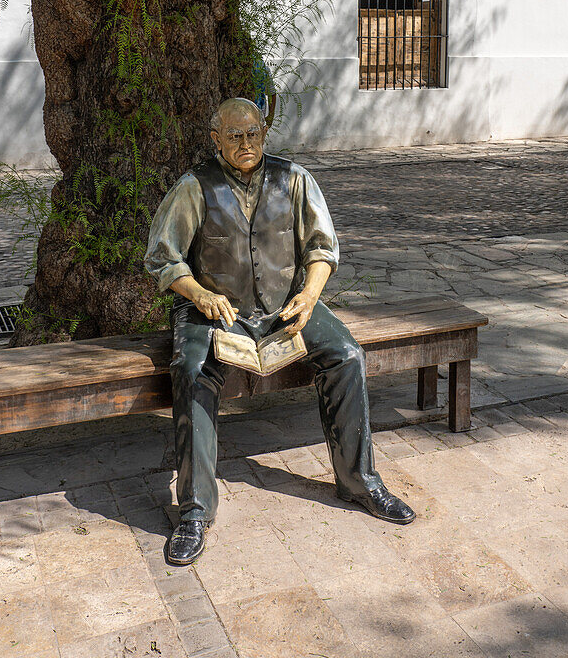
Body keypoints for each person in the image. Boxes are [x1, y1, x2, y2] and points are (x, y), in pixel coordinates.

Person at [144, 97, 415, 566]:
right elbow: (164, 259)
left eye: (253, 133)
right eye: (234, 136)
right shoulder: (194, 188)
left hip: (288, 304)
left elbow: (321, 248)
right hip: (215, 310)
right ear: (215, 140)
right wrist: (199, 294)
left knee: (347, 355)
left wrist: (309, 297)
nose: (246, 143)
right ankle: (194, 511)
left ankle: (361, 482)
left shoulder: (295, 180)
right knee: (191, 369)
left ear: (264, 134)